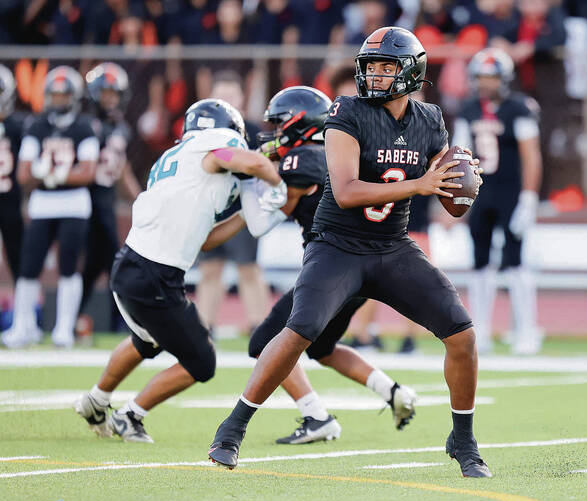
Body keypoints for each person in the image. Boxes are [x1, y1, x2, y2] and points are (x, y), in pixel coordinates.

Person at [208, 27, 492, 478]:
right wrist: (420, 184)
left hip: (392, 247)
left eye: (386, 67)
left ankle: (463, 439)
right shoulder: (348, 111)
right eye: (372, 66)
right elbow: (344, 190)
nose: (376, 75)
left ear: (411, 71)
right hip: (337, 246)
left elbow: (448, 194)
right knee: (301, 329)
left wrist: (460, 182)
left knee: (462, 335)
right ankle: (232, 429)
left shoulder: (430, 118)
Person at [205, 85, 419, 444]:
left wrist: (252, 171)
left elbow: (273, 211)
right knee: (321, 348)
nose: (274, 132)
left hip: (333, 269)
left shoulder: (303, 157)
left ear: (299, 124)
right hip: (358, 272)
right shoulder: (328, 155)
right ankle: (393, 391)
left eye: (279, 124)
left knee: (264, 342)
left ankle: (316, 416)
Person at [74, 99, 286, 443]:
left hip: (133, 264)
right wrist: (275, 178)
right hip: (153, 274)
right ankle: (131, 415)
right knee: (201, 361)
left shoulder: (180, 159)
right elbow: (229, 157)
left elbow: (205, 240)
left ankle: (96, 400)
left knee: (147, 340)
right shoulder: (217, 147)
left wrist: (244, 216)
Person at [1, 66, 99, 349]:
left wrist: (55, 175)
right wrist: (50, 175)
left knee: (69, 267)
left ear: (74, 96)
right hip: (42, 204)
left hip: (74, 203)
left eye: (62, 95)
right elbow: (23, 174)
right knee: (29, 267)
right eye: (53, 95)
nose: (57, 100)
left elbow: (88, 171)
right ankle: (22, 327)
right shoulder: (37, 125)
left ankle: (64, 329)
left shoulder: (83, 126)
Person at [453, 47, 543, 355]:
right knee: (479, 264)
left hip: (510, 192)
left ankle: (527, 330)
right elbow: (461, 155)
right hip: (481, 193)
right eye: (481, 77)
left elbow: (531, 154)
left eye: (491, 77)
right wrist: (459, 197)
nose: (485, 83)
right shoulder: (468, 109)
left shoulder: (518, 108)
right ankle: (481, 330)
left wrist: (529, 197)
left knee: (516, 263)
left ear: (504, 79)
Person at [195, 71, 270, 339]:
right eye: (221, 96)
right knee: (209, 270)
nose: (226, 101)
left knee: (248, 269)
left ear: (241, 98)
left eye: (231, 96)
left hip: (242, 209)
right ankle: (204, 328)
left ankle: (260, 327)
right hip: (213, 211)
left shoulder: (251, 130)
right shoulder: (201, 132)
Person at [77, 62, 141, 337]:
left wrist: (143, 201)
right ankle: (119, 323)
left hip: (103, 200)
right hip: (82, 199)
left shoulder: (120, 128)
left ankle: (79, 318)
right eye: (104, 93)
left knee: (98, 265)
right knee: (108, 264)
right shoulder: (84, 123)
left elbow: (121, 168)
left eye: (114, 94)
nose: (109, 99)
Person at [0, 64, 26, 285]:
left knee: (17, 258)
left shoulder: (18, 125)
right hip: (10, 197)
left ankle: (23, 312)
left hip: (10, 199)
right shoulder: (18, 125)